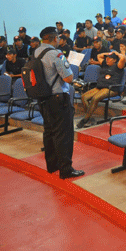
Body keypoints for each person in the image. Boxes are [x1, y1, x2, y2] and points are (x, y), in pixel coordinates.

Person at [35, 27, 83, 179]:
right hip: (58, 99)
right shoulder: (57, 54)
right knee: (64, 134)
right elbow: (68, 78)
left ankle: (52, 165)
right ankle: (66, 169)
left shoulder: (36, 52)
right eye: (57, 37)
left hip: (43, 98)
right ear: (54, 38)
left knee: (49, 132)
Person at [77, 52, 126, 129]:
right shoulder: (104, 64)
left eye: (109, 58)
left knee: (95, 98)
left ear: (114, 60)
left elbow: (123, 58)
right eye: (106, 58)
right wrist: (109, 53)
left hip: (111, 88)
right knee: (84, 97)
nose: (107, 59)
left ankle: (85, 119)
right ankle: (89, 118)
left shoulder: (118, 66)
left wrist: (116, 53)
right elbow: (98, 55)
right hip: (100, 87)